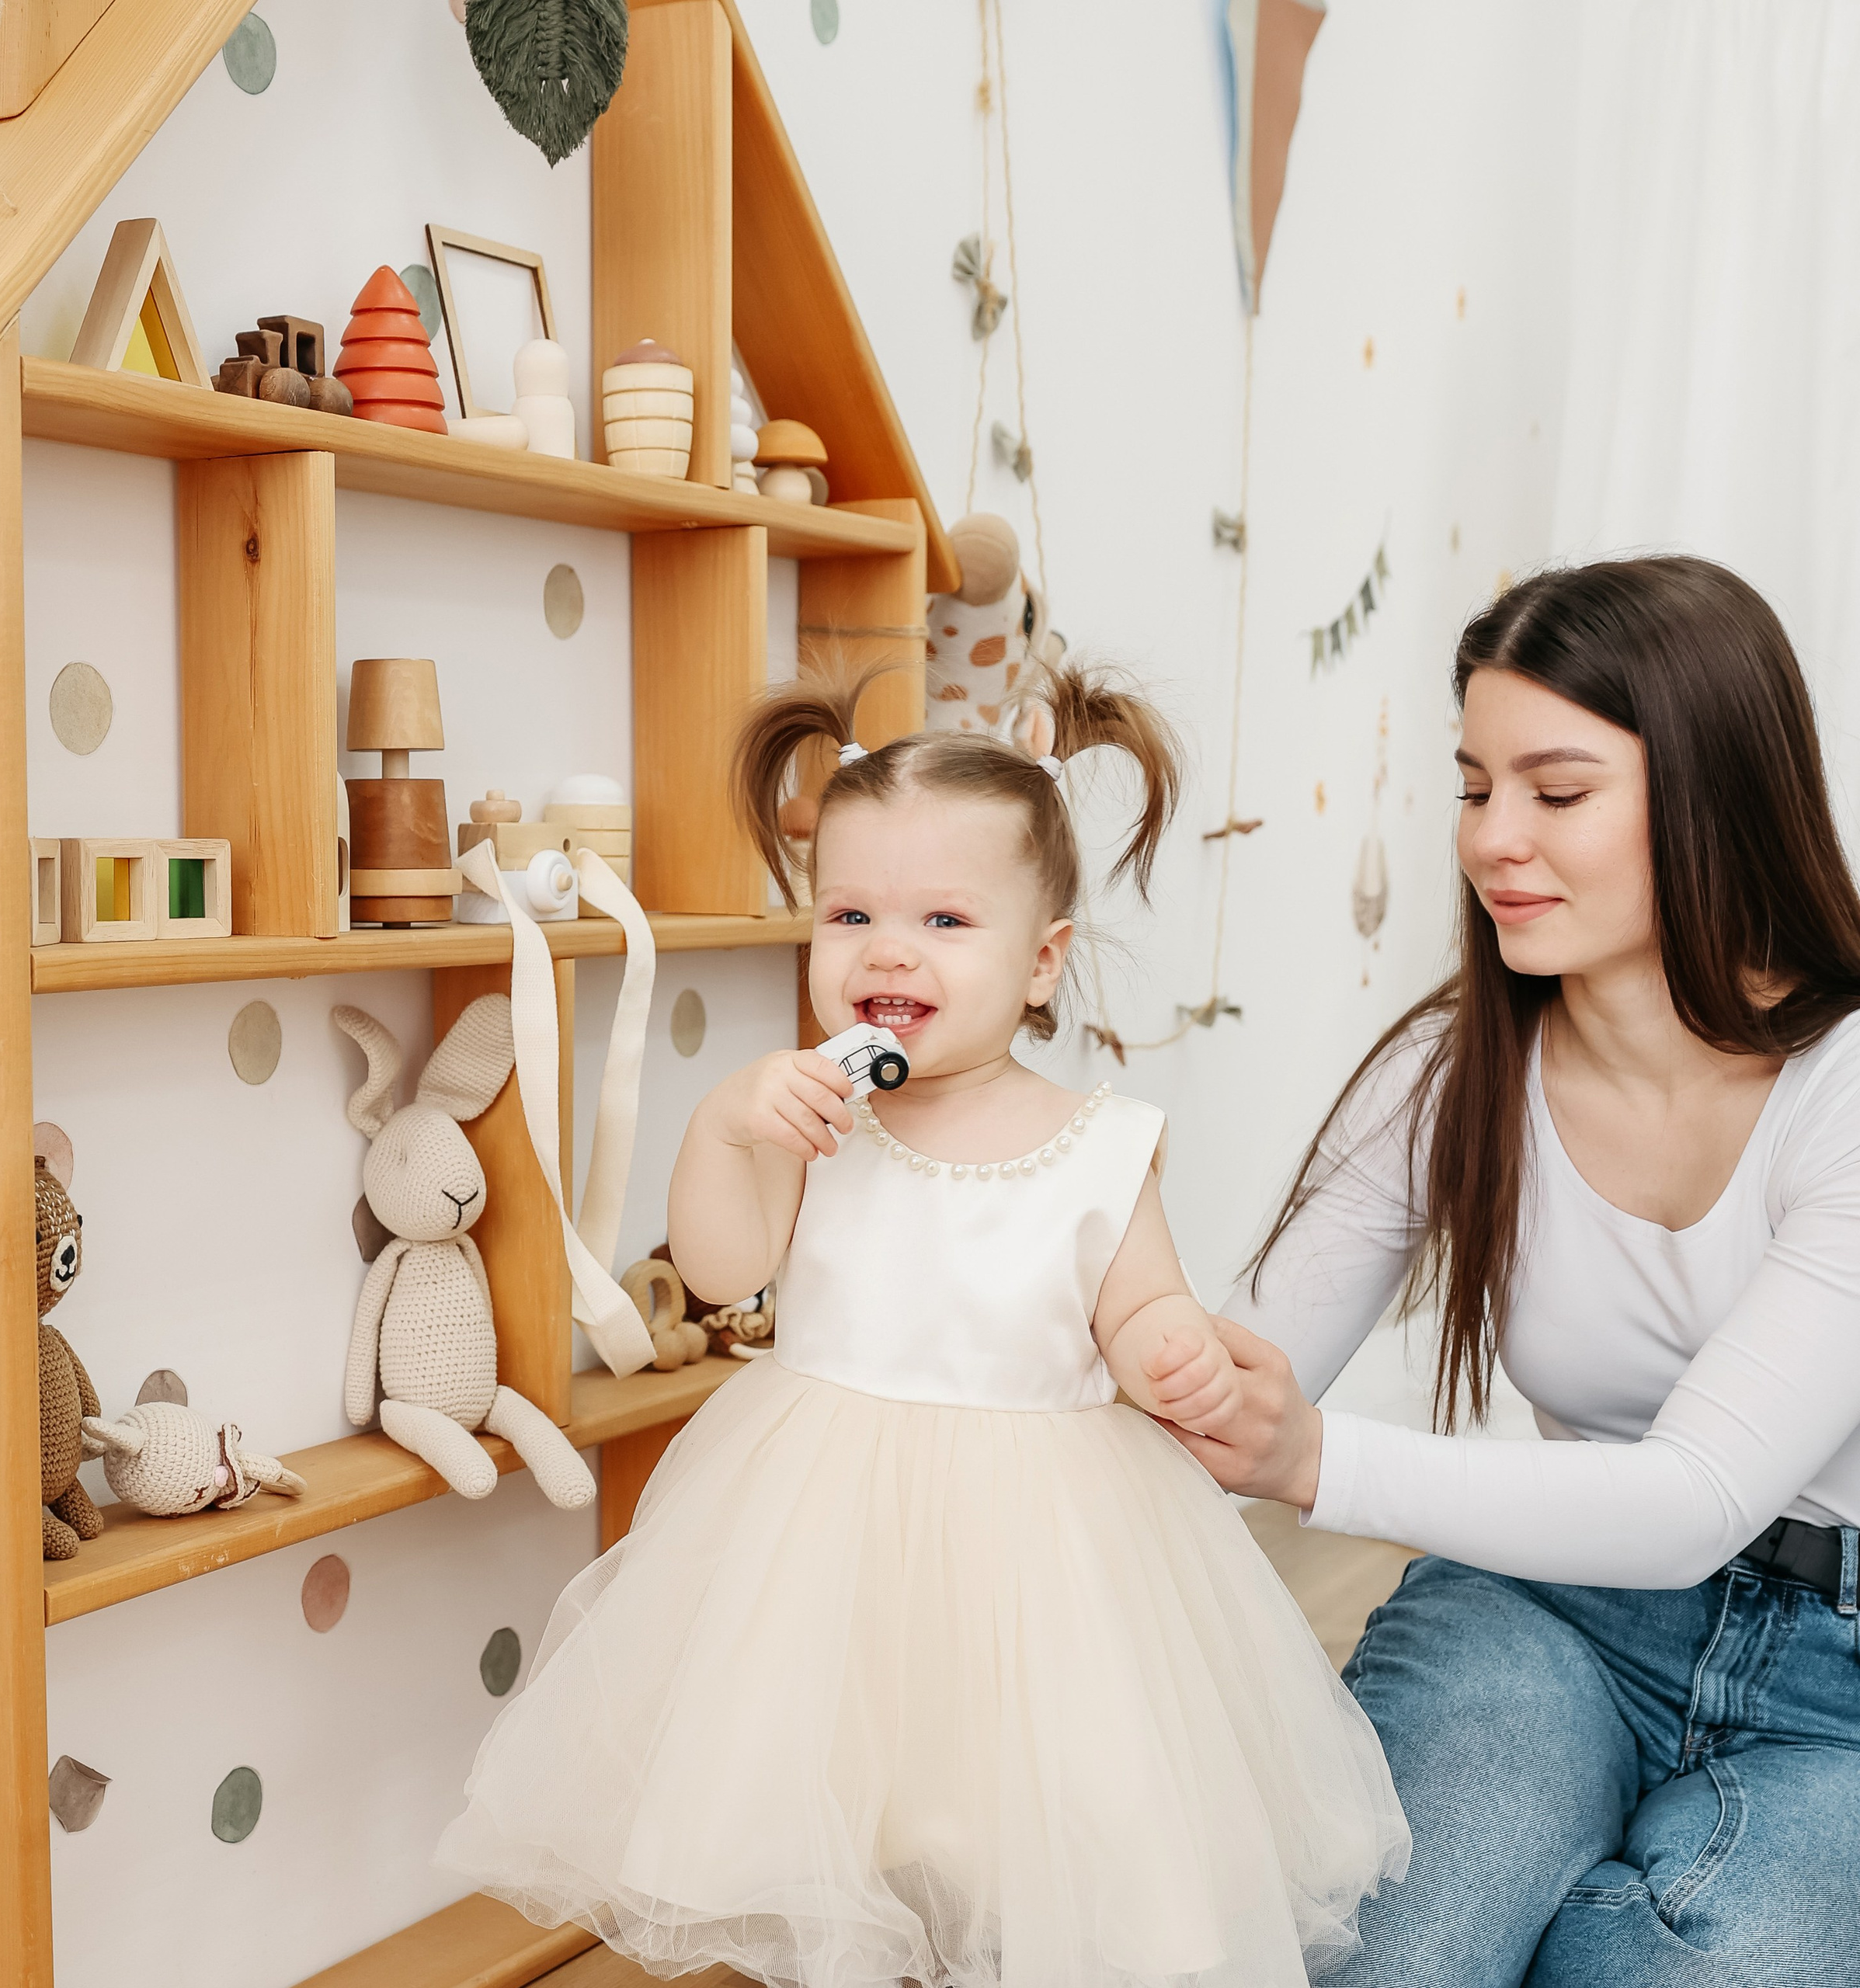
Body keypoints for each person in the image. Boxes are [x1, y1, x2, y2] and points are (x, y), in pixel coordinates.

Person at [437, 665, 1408, 1986]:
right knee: (842, 1810)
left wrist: (1168, 1345)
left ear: (1041, 959)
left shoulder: (1096, 1144)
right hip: (822, 1521)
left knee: (1044, 1817)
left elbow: (1134, 1307)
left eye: (945, 917)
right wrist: (729, 1125)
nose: (888, 950)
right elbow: (725, 1274)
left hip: (1047, 1540)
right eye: (852, 914)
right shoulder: (815, 1114)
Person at [1183, 558, 1860, 1987]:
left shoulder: (1845, 1090)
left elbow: (1690, 1507)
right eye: (1476, 786)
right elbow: (1236, 1382)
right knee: (1393, 1957)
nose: (1495, 839)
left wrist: (1313, 1461)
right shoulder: (1454, 1072)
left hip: (1838, 1690)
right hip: (1552, 1610)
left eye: (1555, 793)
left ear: (1714, 793)